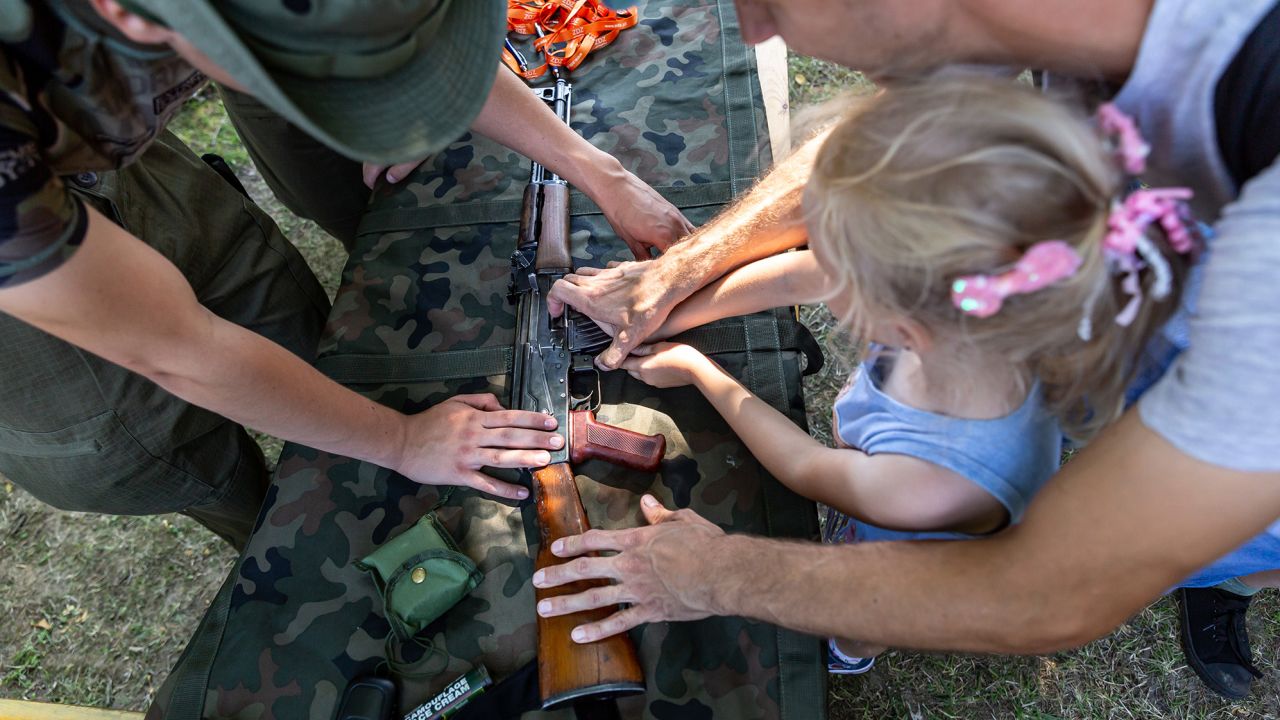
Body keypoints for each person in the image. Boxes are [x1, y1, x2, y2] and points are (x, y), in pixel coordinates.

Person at [537, 0, 1280, 701]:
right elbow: (871, 205)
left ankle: (1233, 570)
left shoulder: (925, 487)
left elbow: (1045, 592)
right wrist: (678, 289)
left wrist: (714, 570)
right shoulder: (995, 299)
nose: (755, 28)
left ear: (903, 326)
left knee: (1244, 534)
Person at [0, 0, 690, 549]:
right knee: (155, 442)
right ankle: (272, 542)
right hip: (25, 292)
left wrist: (604, 173)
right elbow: (173, 348)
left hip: (93, 137)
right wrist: (400, 439)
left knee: (308, 335)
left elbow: (413, 36)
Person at [620, 78, 1195, 674]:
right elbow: (798, 277)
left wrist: (699, 370)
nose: (819, 264)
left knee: (864, 601)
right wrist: (672, 310)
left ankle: (852, 650)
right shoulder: (975, 306)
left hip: (903, 539)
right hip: (882, 470)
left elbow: (808, 468)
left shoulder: (929, 486)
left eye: (837, 263)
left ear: (901, 325)